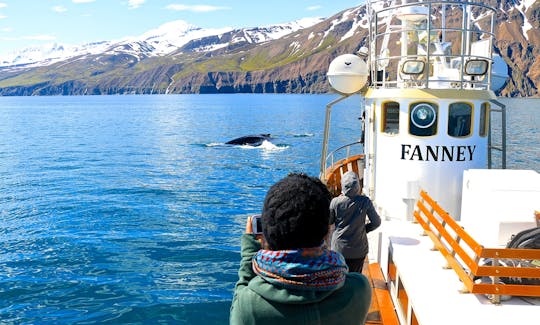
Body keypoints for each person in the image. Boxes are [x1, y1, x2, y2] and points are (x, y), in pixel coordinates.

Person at [230, 173, 372, 325]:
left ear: (268, 234)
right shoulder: (358, 289)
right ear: (327, 233)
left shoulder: (248, 306)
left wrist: (250, 249)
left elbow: (241, 296)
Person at [329, 171, 381, 273]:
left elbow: (330, 221)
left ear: (343, 186)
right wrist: (364, 229)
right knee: (355, 278)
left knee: (340, 278)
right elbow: (376, 222)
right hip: (358, 250)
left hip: (339, 249)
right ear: (358, 186)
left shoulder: (335, 202)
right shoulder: (365, 201)